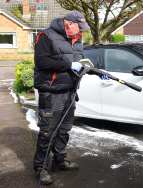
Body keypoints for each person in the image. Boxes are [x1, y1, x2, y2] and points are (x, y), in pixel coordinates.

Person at [33, 11, 90, 185]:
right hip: (51, 92)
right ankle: (41, 167)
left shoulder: (78, 39)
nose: (81, 32)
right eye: (79, 28)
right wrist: (68, 65)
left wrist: (87, 68)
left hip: (70, 91)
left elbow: (79, 60)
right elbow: (42, 62)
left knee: (64, 130)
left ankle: (60, 160)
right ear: (68, 23)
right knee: (47, 131)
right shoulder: (46, 36)